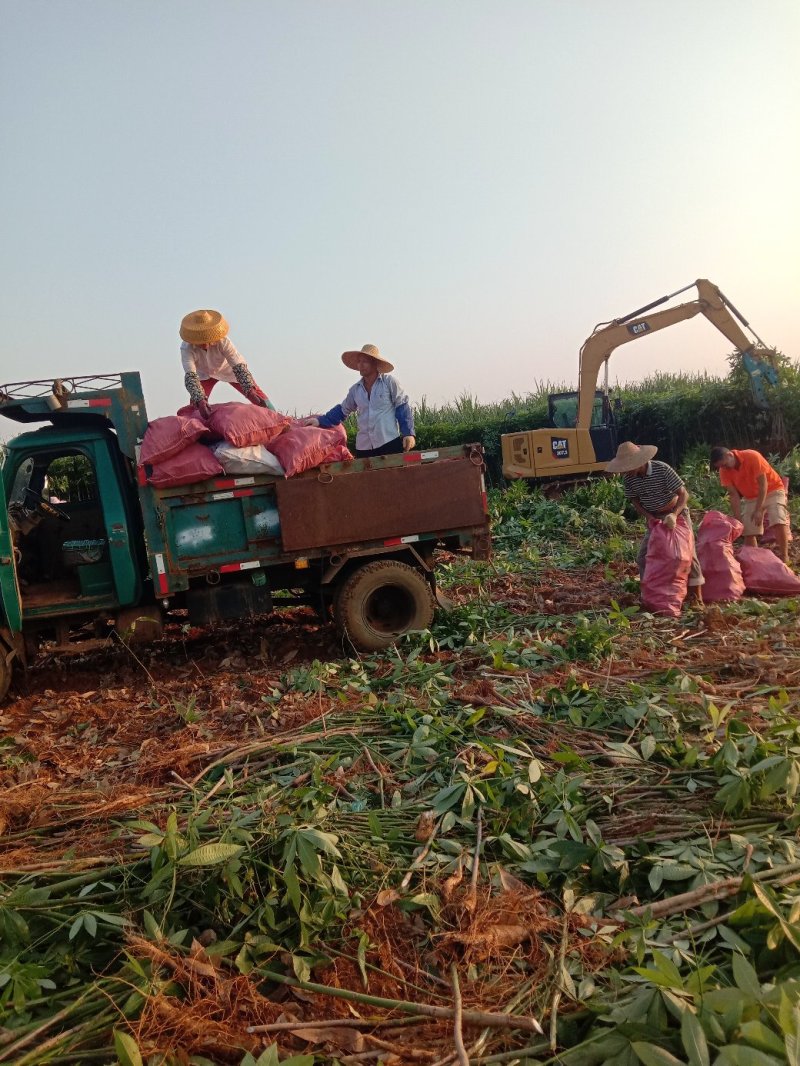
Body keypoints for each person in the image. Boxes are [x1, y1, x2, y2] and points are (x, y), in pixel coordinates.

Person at [606, 441, 704, 605]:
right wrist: (648, 517)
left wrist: (673, 515)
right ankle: (649, 594)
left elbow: (683, 494)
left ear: (638, 462)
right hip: (654, 517)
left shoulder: (662, 469)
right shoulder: (630, 479)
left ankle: (697, 597)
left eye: (628, 467)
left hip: (676, 513)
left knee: (687, 554)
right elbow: (634, 500)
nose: (625, 471)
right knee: (643, 557)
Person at [305, 344, 416, 458]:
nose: (361, 365)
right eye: (359, 362)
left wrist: (408, 433)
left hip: (388, 443)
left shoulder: (388, 382)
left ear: (375, 363)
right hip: (364, 447)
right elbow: (343, 410)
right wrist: (320, 421)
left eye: (365, 361)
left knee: (393, 475)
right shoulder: (355, 390)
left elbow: (402, 406)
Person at [180, 309, 273, 418]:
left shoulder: (223, 342)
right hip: (203, 375)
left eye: (207, 340)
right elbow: (191, 375)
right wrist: (200, 400)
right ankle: (192, 427)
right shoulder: (186, 348)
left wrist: (249, 389)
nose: (205, 345)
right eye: (201, 342)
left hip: (228, 370)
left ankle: (276, 417)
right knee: (196, 406)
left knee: (257, 395)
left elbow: (238, 365)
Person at [710, 446, 791, 564]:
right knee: (748, 530)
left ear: (730, 455)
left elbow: (763, 485)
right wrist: (738, 519)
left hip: (773, 490)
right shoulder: (724, 471)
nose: (723, 468)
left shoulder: (752, 456)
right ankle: (756, 562)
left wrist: (758, 510)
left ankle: (785, 556)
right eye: (721, 466)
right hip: (751, 497)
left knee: (777, 518)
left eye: (725, 465)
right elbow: (733, 495)